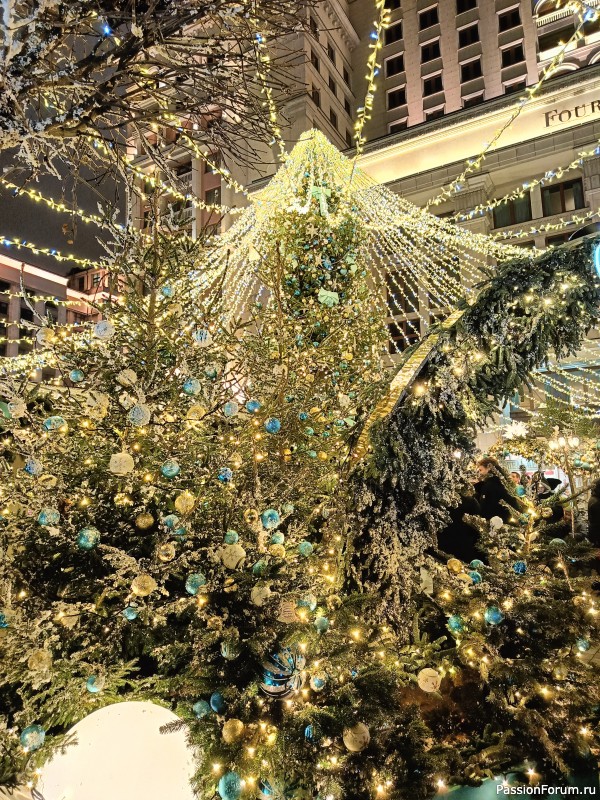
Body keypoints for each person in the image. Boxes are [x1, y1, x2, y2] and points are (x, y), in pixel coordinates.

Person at [436, 492, 485, 564]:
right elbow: (477, 530)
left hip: (440, 548)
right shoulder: (471, 502)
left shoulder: (437, 499)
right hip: (464, 550)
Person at [474, 457, 520, 523]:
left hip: (496, 523)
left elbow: (487, 507)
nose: (479, 473)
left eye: (481, 470)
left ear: (489, 468)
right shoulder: (501, 482)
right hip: (505, 522)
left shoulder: (491, 485)